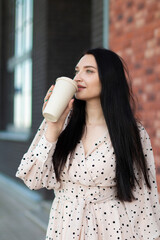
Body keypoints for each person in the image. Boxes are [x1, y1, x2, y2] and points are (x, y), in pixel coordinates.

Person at [16, 48, 160, 240]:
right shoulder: (60, 122)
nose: (77, 78)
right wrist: (52, 128)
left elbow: (144, 195)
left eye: (89, 71)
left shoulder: (132, 132)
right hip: (65, 226)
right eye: (77, 71)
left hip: (113, 228)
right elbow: (32, 179)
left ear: (109, 78)